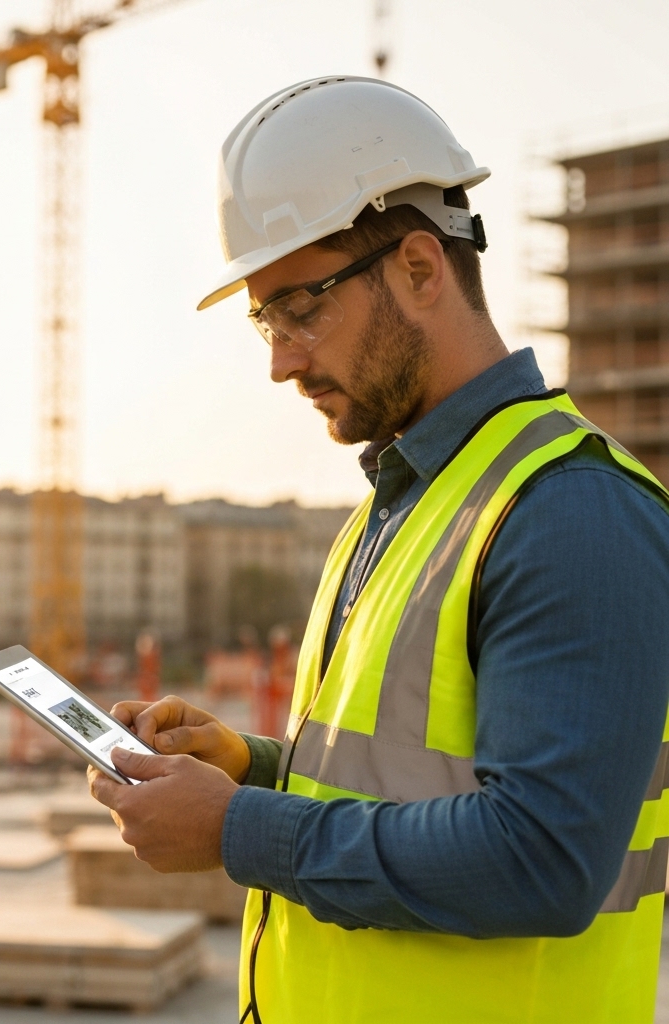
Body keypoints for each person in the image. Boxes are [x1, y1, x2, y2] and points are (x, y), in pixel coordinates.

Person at [87, 77, 669, 1023]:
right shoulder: (401, 506)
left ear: (420, 268)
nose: (280, 360)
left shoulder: (571, 511)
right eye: (264, 320)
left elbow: (545, 859)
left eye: (300, 308)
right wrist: (251, 767)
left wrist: (238, 828)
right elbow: (403, 780)